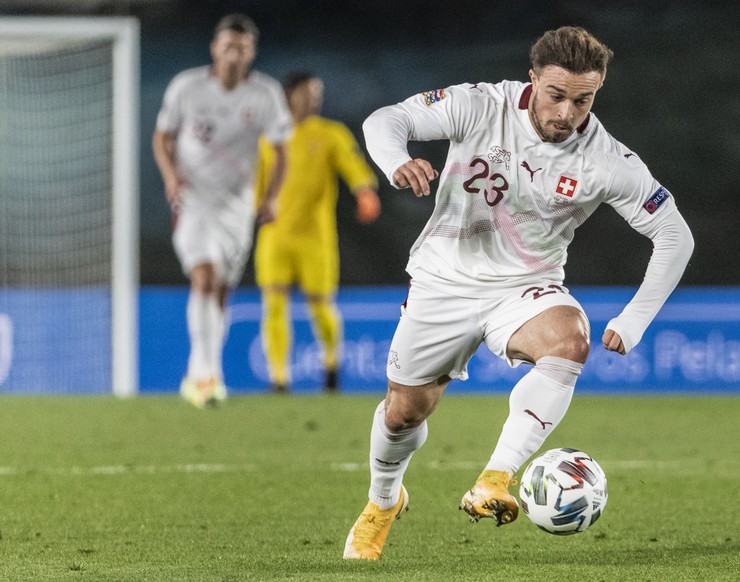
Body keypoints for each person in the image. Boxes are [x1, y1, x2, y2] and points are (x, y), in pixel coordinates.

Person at [342, 26, 694, 560]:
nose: (567, 113)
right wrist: (396, 161)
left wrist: (636, 317)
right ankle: (383, 501)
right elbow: (384, 119)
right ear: (533, 81)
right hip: (443, 280)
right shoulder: (482, 106)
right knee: (404, 414)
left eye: (584, 100)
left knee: (570, 341)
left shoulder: (607, 159)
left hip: (524, 287)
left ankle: (495, 479)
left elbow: (674, 234)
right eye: (556, 96)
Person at [152, 14, 291, 408]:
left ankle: (205, 373)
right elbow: (162, 136)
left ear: (252, 53)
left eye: (242, 48)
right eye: (228, 46)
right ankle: (204, 373)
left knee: (222, 291)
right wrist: (170, 176)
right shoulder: (187, 86)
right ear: (215, 48)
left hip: (236, 206)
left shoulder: (264, 95)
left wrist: (271, 196)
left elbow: (281, 151)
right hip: (193, 198)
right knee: (205, 276)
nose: (234, 54)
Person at [253, 72, 381, 394]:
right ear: (289, 95)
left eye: (318, 93)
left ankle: (331, 364)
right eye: (308, 92)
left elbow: (353, 166)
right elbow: (255, 182)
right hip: (275, 236)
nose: (315, 98)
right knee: (274, 305)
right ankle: (279, 379)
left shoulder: (330, 134)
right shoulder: (268, 137)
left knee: (321, 307)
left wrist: (364, 190)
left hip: (316, 238)